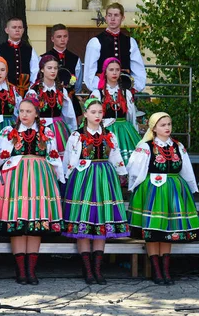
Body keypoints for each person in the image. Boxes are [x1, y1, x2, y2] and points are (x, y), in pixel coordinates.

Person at [127, 112, 199, 285]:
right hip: (152, 191)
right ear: (153, 128)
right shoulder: (146, 147)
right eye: (163, 125)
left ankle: (165, 271)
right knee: (153, 231)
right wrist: (136, 187)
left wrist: (190, 188)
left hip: (173, 191)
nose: (167, 128)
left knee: (168, 232)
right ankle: (156, 271)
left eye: (169, 124)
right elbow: (135, 169)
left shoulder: (178, 146)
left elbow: (187, 169)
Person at [0, 99, 64, 285]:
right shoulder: (8, 132)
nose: (24, 115)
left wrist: (59, 177)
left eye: (28, 111)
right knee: (17, 224)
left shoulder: (46, 132)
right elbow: (0, 158)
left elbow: (54, 156)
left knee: (35, 225)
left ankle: (31, 270)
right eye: (21, 111)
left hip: (39, 177)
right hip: (15, 178)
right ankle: (20, 271)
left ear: (36, 113)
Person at [62, 98, 129, 285]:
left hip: (104, 178)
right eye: (93, 112)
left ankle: (98, 269)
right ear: (85, 114)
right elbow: (70, 158)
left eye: (100, 112)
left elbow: (116, 156)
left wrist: (122, 173)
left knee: (101, 223)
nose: (97, 115)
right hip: (83, 179)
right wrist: (67, 178)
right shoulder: (76, 136)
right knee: (83, 222)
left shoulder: (109, 135)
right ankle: (87, 270)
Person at [84, 2, 146, 93]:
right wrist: (100, 88)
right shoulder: (95, 42)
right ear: (105, 18)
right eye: (109, 15)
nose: (112, 19)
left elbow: (138, 69)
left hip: (125, 89)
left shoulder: (130, 42)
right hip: (102, 90)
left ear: (122, 18)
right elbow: (89, 71)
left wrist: (133, 87)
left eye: (116, 15)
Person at [89, 57, 140, 165]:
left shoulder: (126, 93)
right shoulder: (98, 93)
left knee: (129, 162)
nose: (114, 73)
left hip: (124, 131)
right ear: (105, 72)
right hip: (105, 130)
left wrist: (134, 132)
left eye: (117, 70)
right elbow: (91, 116)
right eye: (111, 70)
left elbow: (132, 116)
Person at [25, 55, 77, 159]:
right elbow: (27, 114)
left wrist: (73, 131)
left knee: (59, 157)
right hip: (39, 129)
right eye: (49, 68)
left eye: (55, 68)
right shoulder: (34, 91)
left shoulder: (61, 91)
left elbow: (69, 114)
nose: (53, 71)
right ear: (42, 70)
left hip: (58, 130)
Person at [42, 24, 83, 119]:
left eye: (65, 36)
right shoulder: (43, 58)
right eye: (59, 37)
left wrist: (70, 91)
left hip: (70, 99)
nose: (62, 39)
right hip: (50, 100)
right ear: (52, 39)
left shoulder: (75, 58)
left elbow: (78, 83)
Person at [0, 18, 39, 96]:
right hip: (5, 92)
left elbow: (35, 71)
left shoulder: (29, 50)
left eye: (20, 27)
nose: (17, 30)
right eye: (14, 27)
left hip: (26, 92)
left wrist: (31, 89)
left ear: (23, 30)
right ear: (7, 30)